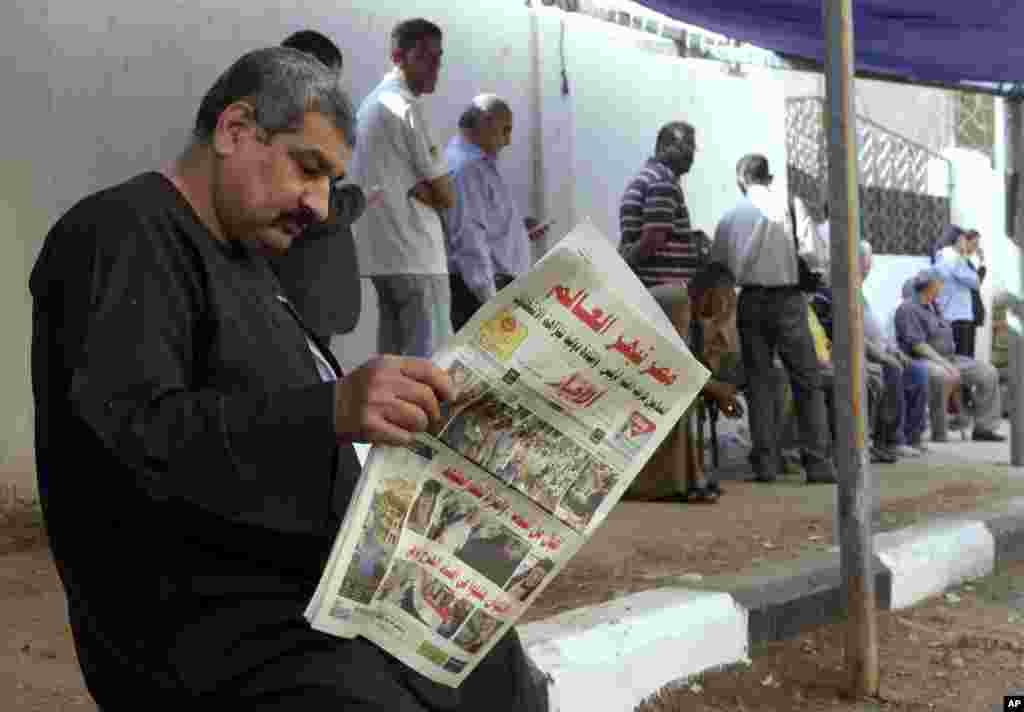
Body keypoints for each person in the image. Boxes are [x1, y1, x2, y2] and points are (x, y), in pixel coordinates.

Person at [30, 47, 547, 711]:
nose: (320, 202)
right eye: (309, 168)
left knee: (493, 669)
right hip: (207, 620)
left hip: (316, 589)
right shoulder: (122, 233)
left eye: (332, 180)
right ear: (235, 130)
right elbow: (132, 438)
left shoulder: (246, 261)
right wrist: (330, 411)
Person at [711, 154, 836, 484]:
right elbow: (814, 255)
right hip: (788, 300)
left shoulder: (729, 217)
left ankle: (765, 465)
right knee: (807, 381)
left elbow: (720, 266)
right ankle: (818, 464)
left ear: (742, 181)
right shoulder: (790, 205)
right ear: (769, 177)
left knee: (759, 383)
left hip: (749, 301)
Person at [351, 18, 456, 358]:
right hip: (417, 258)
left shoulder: (368, 106)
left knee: (393, 367)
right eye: (425, 57)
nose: (435, 67)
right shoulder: (405, 106)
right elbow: (447, 196)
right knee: (429, 369)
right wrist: (426, 191)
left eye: (439, 58)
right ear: (398, 56)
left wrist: (423, 189)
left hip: (385, 260)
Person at [268, 29, 366, 342]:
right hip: (299, 292)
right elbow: (310, 206)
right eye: (330, 80)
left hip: (309, 295)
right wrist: (357, 198)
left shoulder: (298, 122)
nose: (333, 93)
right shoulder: (281, 126)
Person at [445, 94, 547, 330]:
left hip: (491, 286)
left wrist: (517, 230)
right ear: (486, 122)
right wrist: (490, 301)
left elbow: (484, 226)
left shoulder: (477, 165)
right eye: (506, 130)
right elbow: (469, 239)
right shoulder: (466, 169)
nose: (508, 140)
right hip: (481, 292)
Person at [894, 269, 1005, 443]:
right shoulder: (908, 308)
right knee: (943, 375)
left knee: (988, 372)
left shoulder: (933, 306)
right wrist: (944, 364)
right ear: (930, 286)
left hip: (950, 358)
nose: (942, 287)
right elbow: (918, 345)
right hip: (923, 360)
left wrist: (949, 362)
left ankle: (985, 427)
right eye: (940, 283)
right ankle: (939, 432)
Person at [860, 241, 930, 457]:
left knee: (918, 371)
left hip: (881, 351)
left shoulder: (861, 293)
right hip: (866, 356)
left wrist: (892, 350)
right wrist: (884, 355)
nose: (868, 268)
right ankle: (889, 440)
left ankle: (912, 436)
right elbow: (857, 337)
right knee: (892, 369)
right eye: (866, 263)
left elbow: (878, 333)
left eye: (869, 263)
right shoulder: (846, 293)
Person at [935, 228, 986, 358]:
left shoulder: (943, 256)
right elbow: (975, 281)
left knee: (957, 357)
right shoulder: (953, 257)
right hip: (958, 316)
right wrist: (981, 262)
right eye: (965, 240)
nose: (966, 244)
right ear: (958, 240)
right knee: (964, 359)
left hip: (951, 314)